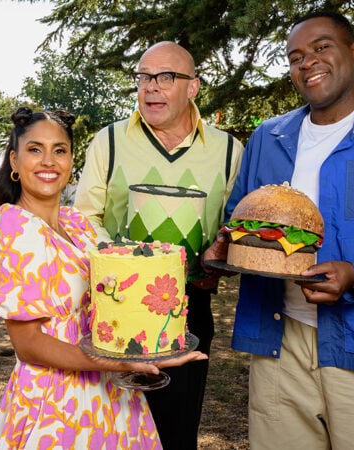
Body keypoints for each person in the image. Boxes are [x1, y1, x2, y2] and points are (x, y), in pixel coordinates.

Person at [204, 11, 354, 449]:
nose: (307, 62)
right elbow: (239, 223)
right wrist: (224, 252)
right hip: (278, 341)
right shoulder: (268, 136)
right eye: (295, 56)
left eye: (322, 47)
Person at [0, 107, 206, 449]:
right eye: (34, 149)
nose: (48, 161)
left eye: (60, 150)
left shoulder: (77, 224)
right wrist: (118, 362)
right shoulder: (12, 227)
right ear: (14, 160)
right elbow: (28, 345)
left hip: (113, 394)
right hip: (57, 403)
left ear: (71, 161)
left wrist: (148, 346)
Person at [74, 41, 244, 449]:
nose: (151, 87)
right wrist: (128, 266)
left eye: (166, 77)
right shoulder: (109, 141)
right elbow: (82, 221)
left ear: (193, 88)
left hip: (189, 310)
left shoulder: (229, 152)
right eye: (144, 77)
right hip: (114, 308)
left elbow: (235, 231)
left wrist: (217, 264)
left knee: (175, 430)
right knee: (111, 428)